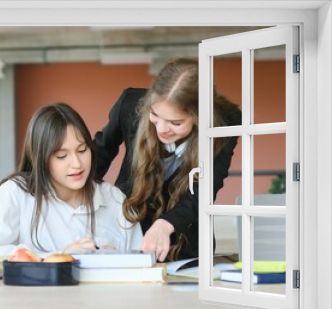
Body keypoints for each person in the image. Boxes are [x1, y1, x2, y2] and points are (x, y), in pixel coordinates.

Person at [93, 58, 241, 262]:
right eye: (154, 115)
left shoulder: (226, 121)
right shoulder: (129, 104)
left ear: (200, 117)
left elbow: (207, 186)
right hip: (128, 226)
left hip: (185, 237)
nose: (161, 128)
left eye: (176, 122)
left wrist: (166, 224)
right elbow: (100, 152)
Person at [0, 102, 143, 257]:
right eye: (61, 156)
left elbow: (140, 262)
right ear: (41, 158)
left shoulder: (113, 198)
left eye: (82, 151)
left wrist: (117, 260)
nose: (76, 163)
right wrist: (56, 257)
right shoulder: (17, 192)